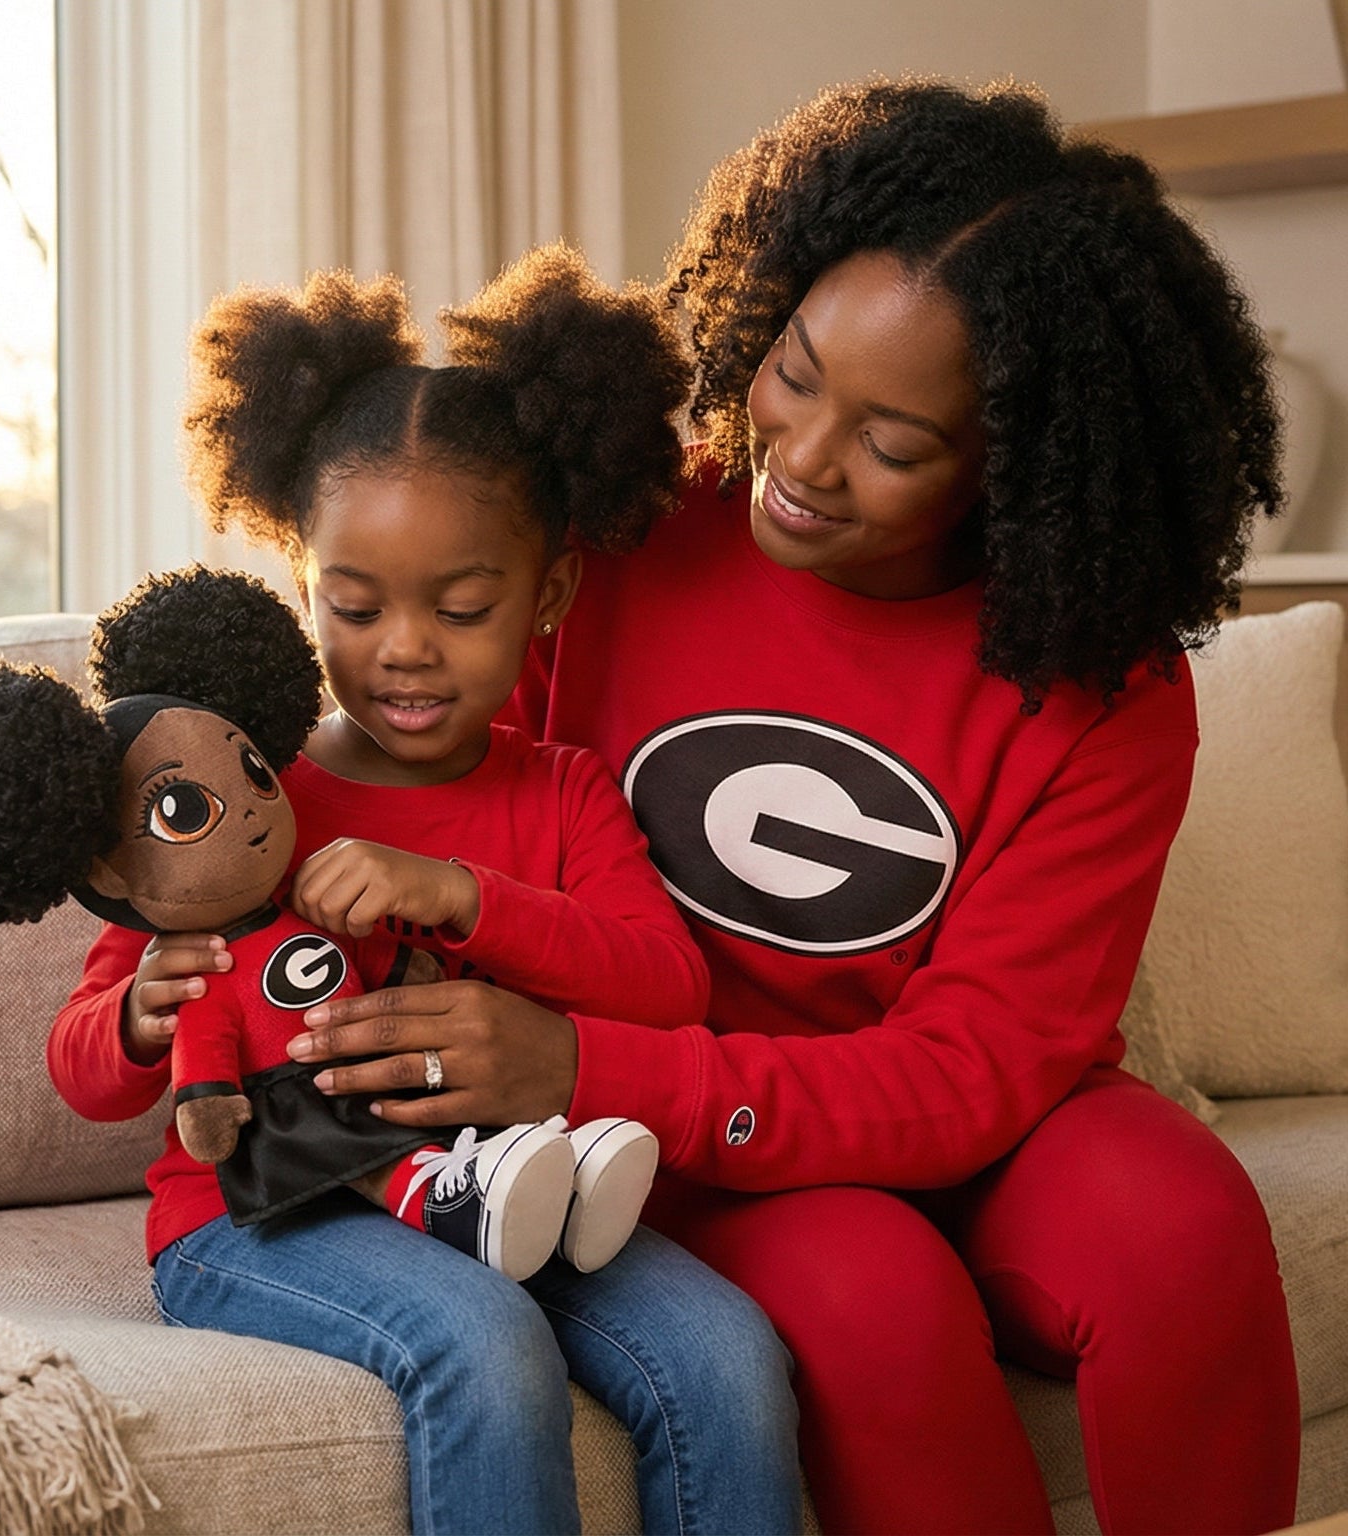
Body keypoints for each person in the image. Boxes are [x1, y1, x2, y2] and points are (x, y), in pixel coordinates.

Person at [282, 81, 1301, 1535]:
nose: (805, 458)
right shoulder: (621, 528)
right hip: (673, 1115)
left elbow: (981, 1065)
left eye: (895, 444)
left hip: (949, 1113)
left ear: (1016, 465)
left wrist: (599, 1066)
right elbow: (443, 803)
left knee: (1184, 1229)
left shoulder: (1104, 680)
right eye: (797, 369)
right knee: (873, 1300)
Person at [47, 245, 804, 1536]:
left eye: (461, 606)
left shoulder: (562, 791)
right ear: (303, 579)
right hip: (263, 1212)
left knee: (728, 1356)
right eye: (354, 604)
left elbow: (670, 983)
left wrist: (464, 894)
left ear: (548, 592)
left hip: (504, 1189)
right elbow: (85, 1064)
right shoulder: (246, 787)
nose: (403, 647)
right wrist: (140, 1019)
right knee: (488, 1345)